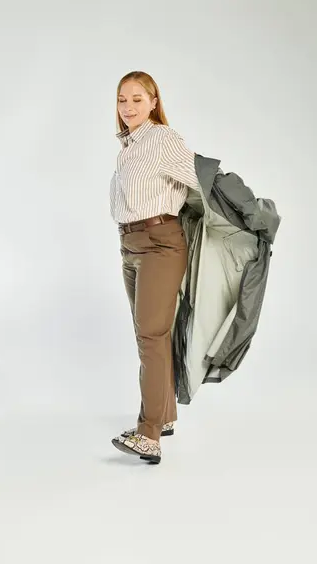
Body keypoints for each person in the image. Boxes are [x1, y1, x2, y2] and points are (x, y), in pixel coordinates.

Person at [110, 71, 199, 464]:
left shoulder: (163, 139)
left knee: (151, 335)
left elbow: (200, 178)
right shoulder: (128, 146)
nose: (128, 107)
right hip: (130, 245)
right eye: (121, 100)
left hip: (161, 244)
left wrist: (241, 210)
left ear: (153, 102)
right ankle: (164, 417)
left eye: (137, 99)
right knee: (150, 335)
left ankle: (148, 434)